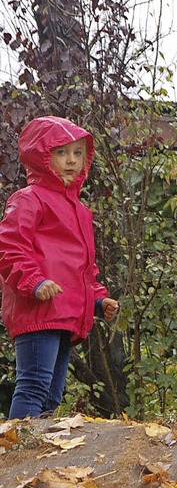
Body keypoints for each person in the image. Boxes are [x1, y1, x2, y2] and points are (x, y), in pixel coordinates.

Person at [0, 116, 118, 419]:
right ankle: (19, 455)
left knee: (52, 394)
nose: (71, 161)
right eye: (61, 152)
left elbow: (83, 267)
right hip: (37, 308)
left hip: (64, 312)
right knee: (33, 386)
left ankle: (37, 457)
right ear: (42, 156)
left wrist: (97, 299)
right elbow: (9, 247)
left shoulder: (80, 210)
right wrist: (35, 282)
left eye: (78, 153)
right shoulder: (29, 199)